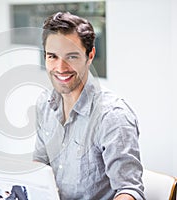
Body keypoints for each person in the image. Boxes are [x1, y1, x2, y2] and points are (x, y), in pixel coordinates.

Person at [33, 12, 145, 200]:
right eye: (53, 56)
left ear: (90, 55)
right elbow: (41, 164)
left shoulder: (112, 116)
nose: (60, 68)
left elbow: (129, 191)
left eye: (72, 56)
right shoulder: (45, 104)